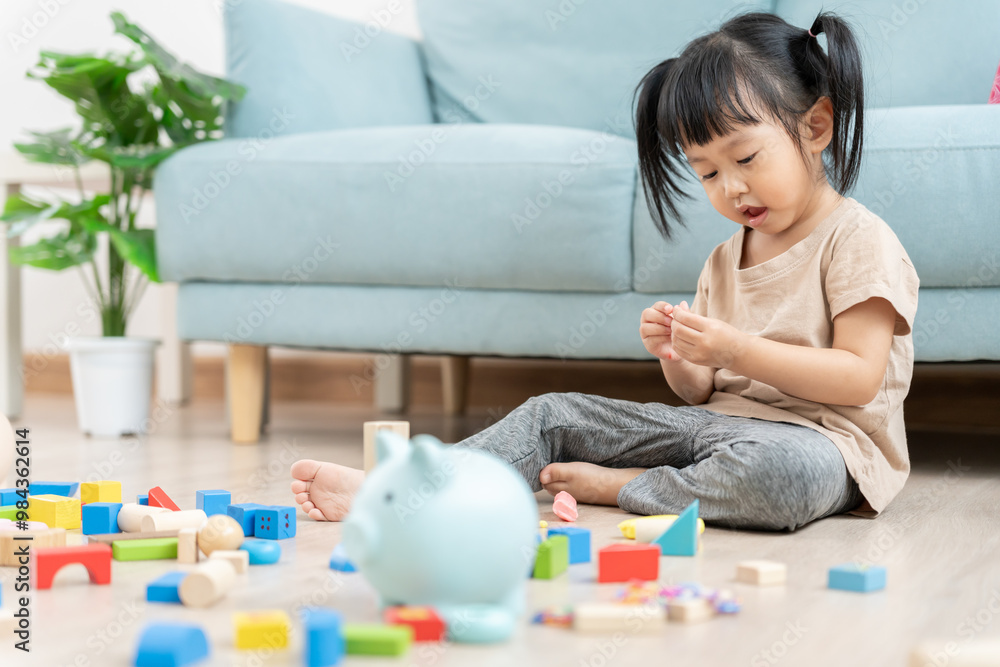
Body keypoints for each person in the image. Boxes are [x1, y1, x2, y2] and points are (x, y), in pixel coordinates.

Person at [290, 11, 919, 531]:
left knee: (775, 478)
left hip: (823, 444)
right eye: (706, 172)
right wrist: (683, 356)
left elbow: (860, 379)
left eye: (746, 157)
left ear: (815, 127)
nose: (730, 187)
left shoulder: (858, 239)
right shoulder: (728, 256)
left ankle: (625, 488)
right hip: (715, 426)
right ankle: (407, 489)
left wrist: (737, 348)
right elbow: (700, 395)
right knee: (550, 413)